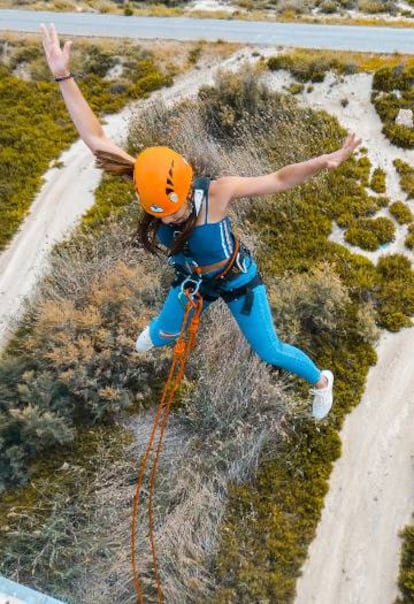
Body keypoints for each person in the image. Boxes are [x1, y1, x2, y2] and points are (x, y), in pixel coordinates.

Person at [41, 23, 361, 420]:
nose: (169, 218)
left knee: (270, 351)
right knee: (161, 335)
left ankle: (320, 381)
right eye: (161, 213)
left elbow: (278, 178)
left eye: (173, 210)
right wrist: (62, 74)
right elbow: (95, 138)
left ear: (187, 184)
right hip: (194, 281)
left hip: (238, 281)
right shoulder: (150, 181)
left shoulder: (217, 194)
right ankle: (158, 331)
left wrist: (322, 162)